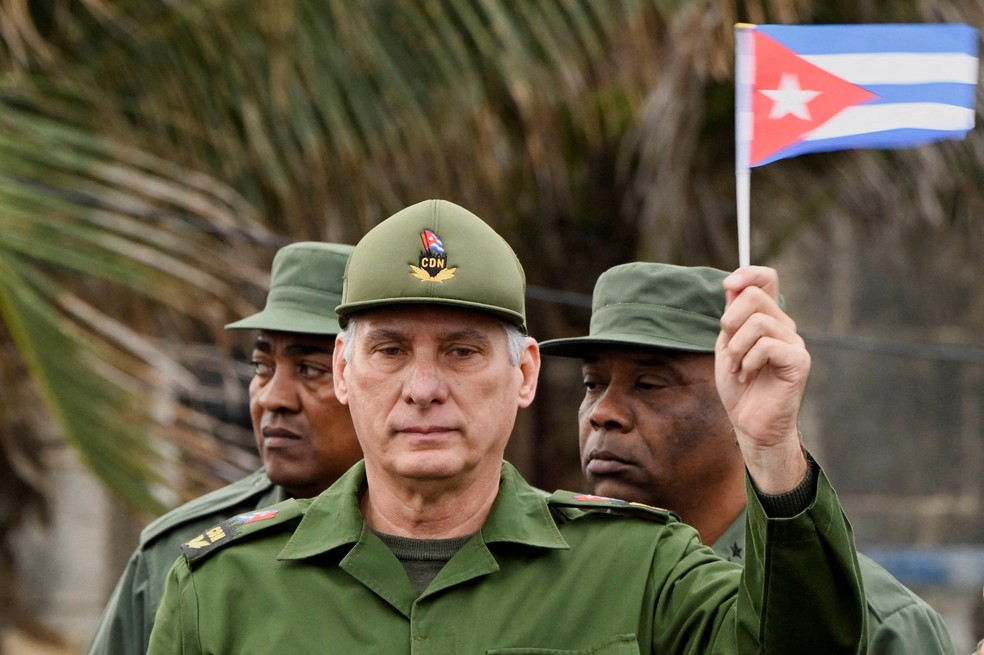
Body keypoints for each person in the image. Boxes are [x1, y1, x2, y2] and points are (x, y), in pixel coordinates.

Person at [147, 199, 866, 653]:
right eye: (391, 350)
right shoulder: (225, 590)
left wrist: (771, 449)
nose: (424, 388)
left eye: (462, 352)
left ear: (523, 374)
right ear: (343, 369)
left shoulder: (636, 572)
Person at [539, 261, 958, 654]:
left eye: (649, 384)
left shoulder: (877, 622)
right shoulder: (562, 590)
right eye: (592, 384)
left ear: (749, 392)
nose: (602, 413)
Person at [86, 242, 363, 655]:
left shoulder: (452, 537)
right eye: (261, 367)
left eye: (310, 369)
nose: (272, 397)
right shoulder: (178, 555)